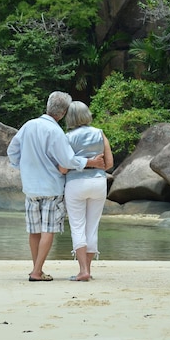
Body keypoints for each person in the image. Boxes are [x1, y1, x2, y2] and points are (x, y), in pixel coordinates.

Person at [7, 91, 105, 282]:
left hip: (31, 187)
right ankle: (37, 272)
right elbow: (67, 161)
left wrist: (23, 166)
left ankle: (37, 269)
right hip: (51, 186)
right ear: (62, 113)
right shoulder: (56, 132)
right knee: (48, 229)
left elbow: (12, 150)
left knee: (34, 230)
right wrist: (90, 162)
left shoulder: (29, 125)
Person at [60, 101, 114, 281]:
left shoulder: (67, 137)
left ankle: (83, 270)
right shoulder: (99, 133)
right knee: (92, 227)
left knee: (77, 226)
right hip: (98, 182)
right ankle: (87, 270)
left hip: (75, 184)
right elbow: (110, 163)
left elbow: (63, 167)